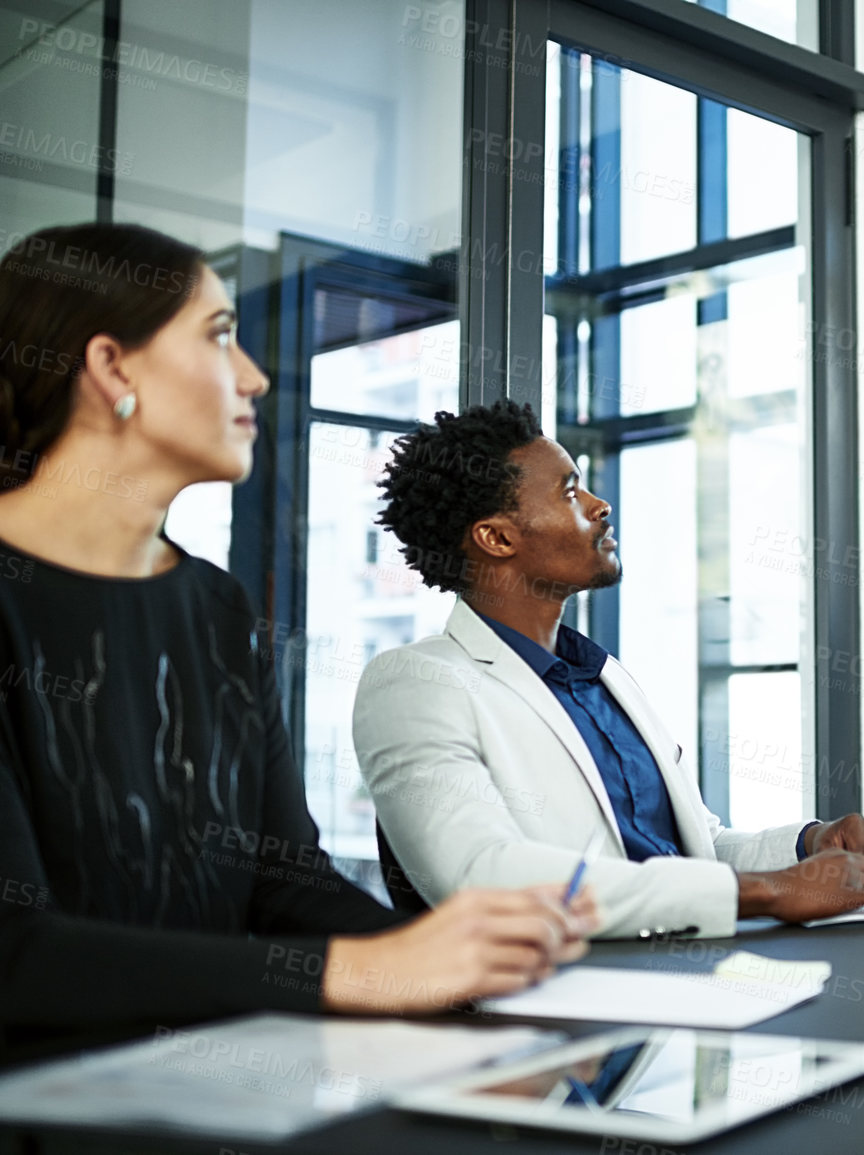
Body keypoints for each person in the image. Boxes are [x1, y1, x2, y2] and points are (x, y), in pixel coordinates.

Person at [0, 224, 595, 1069]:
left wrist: (469, 967)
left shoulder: (216, 607)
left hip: (218, 1092)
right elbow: (17, 956)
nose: (254, 376)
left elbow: (285, 885)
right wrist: (376, 969)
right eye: (217, 335)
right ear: (112, 368)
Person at [353, 400, 864, 939]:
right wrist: (767, 891)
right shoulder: (415, 683)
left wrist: (808, 846)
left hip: (693, 971)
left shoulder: (605, 677)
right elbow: (484, 876)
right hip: (561, 1002)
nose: (600, 505)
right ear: (497, 537)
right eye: (571, 492)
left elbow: (695, 849)